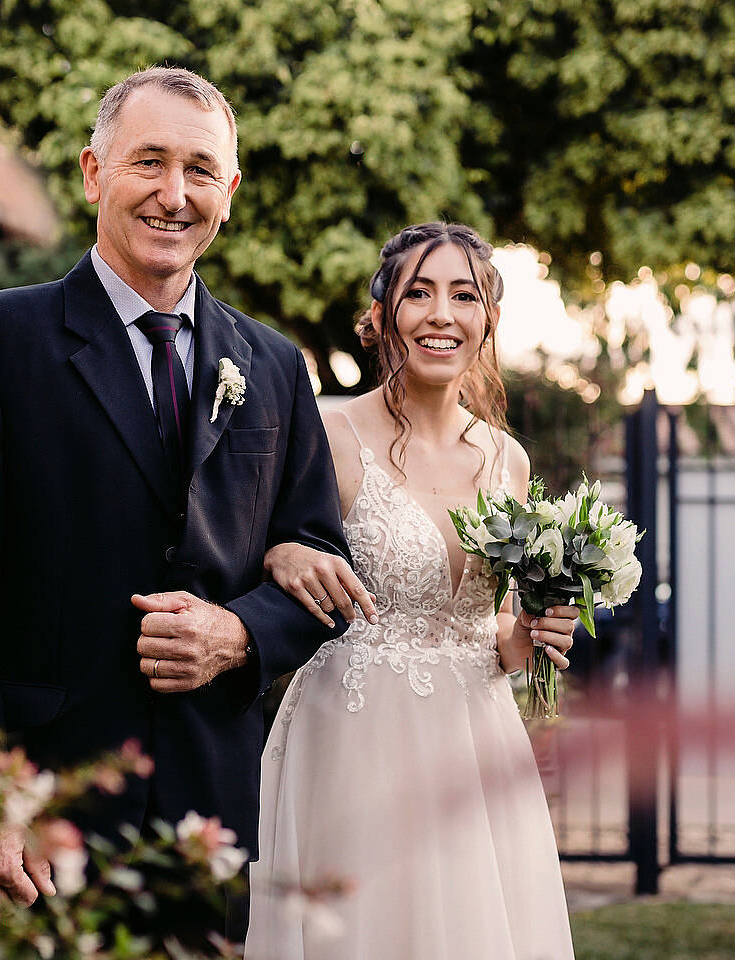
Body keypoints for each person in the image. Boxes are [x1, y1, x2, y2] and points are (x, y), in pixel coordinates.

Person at [0, 66, 352, 925]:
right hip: (39, 818)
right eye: (149, 162)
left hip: (213, 811)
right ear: (94, 172)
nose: (174, 194)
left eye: (201, 170)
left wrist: (239, 632)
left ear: (231, 191)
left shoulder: (277, 367)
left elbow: (325, 569)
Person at [244, 222, 578, 959]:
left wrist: (529, 638)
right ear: (383, 315)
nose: (441, 315)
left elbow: (487, 631)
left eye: (464, 295)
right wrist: (282, 554)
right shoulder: (329, 435)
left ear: (487, 319)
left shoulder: (507, 459)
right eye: (418, 293)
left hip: (478, 742)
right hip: (355, 738)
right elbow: (263, 554)